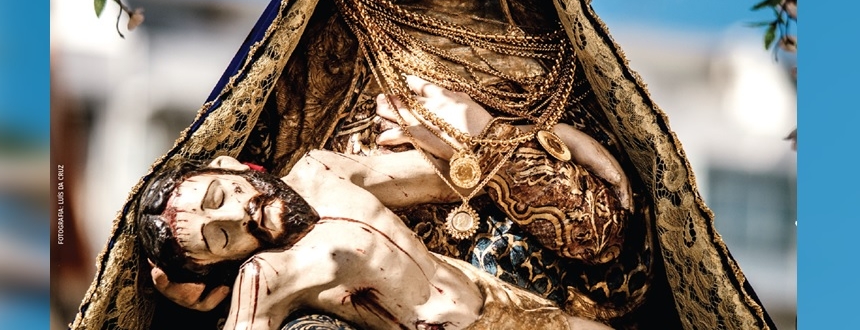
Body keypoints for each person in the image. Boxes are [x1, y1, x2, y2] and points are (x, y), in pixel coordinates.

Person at [72, 0, 777, 330]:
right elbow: (273, 198)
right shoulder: (339, 45)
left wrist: (486, 139)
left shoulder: (553, 58)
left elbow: (606, 240)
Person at [137, 152, 614, 330]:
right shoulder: (266, 277)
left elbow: (444, 176)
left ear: (232, 164)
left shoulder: (320, 170)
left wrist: (530, 145)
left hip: (499, 297)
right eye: (222, 237)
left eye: (220, 195)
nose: (238, 214)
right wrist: (199, 309)